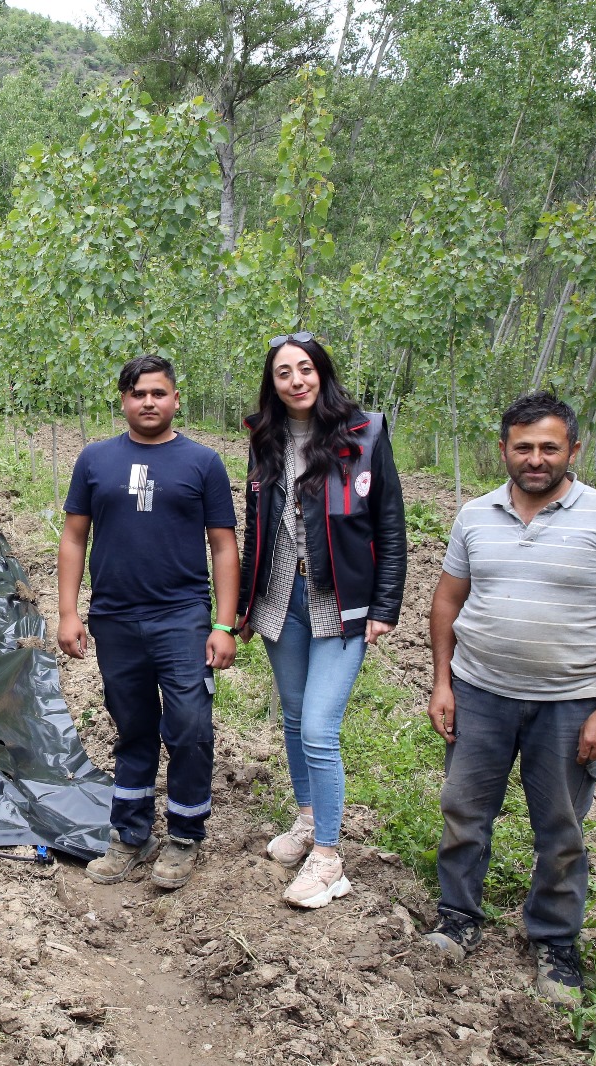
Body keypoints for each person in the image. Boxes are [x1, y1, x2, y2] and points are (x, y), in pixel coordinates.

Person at [424, 392, 596, 1007]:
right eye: (522, 446)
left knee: (561, 828)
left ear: (573, 451)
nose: (535, 458)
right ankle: (457, 918)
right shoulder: (475, 514)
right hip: (479, 692)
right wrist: (443, 681)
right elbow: (446, 601)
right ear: (503, 450)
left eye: (548, 447)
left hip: (569, 702)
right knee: (464, 811)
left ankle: (554, 941)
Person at [235, 332, 407, 909]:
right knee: (290, 715)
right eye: (283, 373)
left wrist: (386, 606)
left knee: (317, 727)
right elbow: (256, 524)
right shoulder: (265, 438)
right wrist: (243, 607)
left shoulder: (366, 433)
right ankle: (307, 818)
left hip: (340, 600)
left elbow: (389, 525)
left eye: (305, 369)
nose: (296, 381)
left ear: (322, 373)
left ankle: (330, 858)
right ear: (273, 384)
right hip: (282, 596)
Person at [57, 354, 240, 890]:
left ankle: (184, 835)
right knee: (132, 726)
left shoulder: (203, 463)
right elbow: (74, 537)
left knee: (189, 725)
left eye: (158, 393)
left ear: (176, 399)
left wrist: (223, 625)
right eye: (138, 394)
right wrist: (69, 613)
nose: (148, 402)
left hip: (181, 617)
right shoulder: (95, 460)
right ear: (124, 401)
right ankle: (130, 835)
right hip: (114, 616)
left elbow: (223, 547)